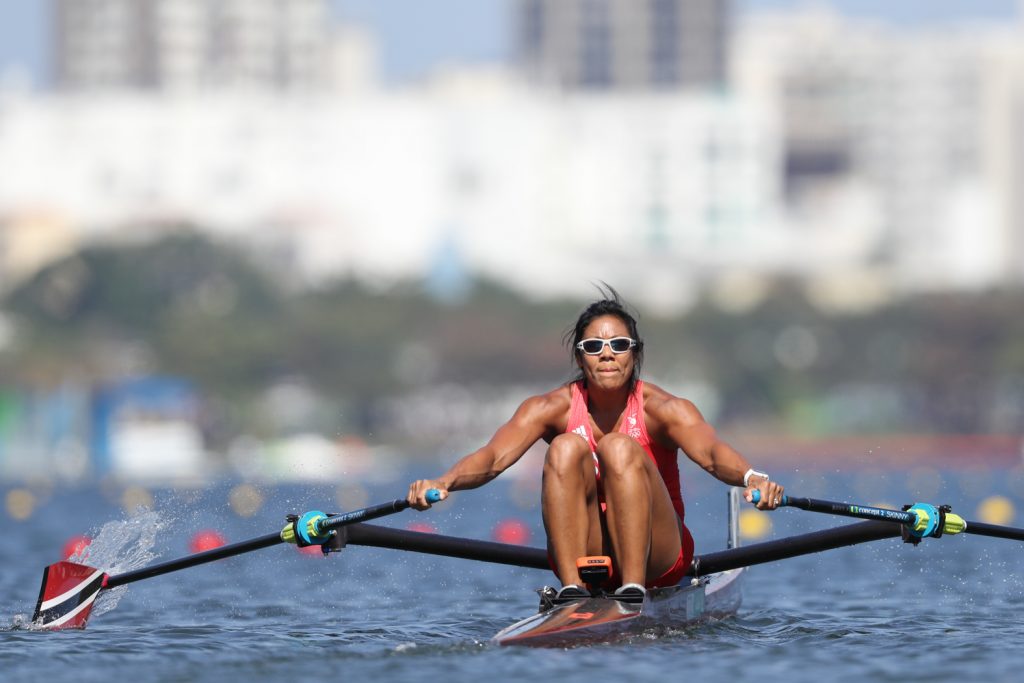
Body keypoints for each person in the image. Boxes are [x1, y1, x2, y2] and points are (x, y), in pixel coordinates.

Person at [407, 289, 785, 601]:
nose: (607, 353)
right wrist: (444, 482)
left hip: (659, 556)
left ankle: (633, 589)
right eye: (594, 345)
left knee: (618, 447)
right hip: (588, 554)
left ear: (635, 354)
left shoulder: (664, 410)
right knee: (564, 448)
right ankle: (572, 589)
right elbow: (492, 458)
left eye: (619, 344)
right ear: (579, 356)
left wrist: (752, 477)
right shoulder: (548, 408)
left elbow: (712, 453)